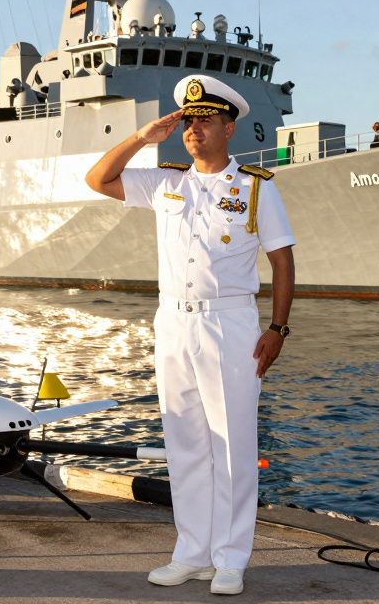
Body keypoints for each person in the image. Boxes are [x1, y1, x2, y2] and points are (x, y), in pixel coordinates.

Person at [85, 74, 295, 597]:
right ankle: (192, 552)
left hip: (231, 322)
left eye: (205, 121)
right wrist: (140, 138)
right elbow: (98, 179)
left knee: (232, 445)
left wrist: (278, 328)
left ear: (229, 127)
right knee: (185, 443)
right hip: (174, 322)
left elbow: (283, 260)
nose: (194, 129)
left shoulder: (255, 187)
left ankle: (231, 558)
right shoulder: (165, 181)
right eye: (189, 121)